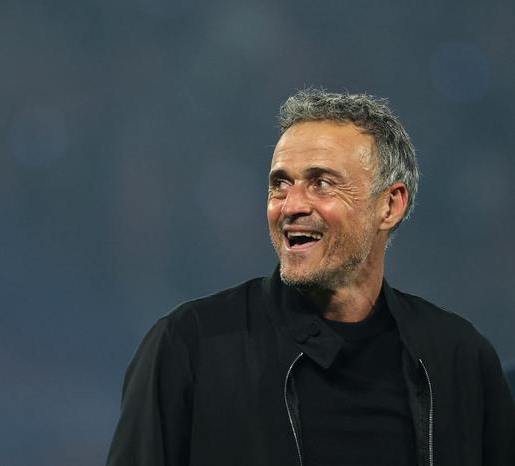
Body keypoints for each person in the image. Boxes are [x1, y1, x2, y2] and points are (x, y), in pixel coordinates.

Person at [106, 89, 515, 466]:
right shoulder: (189, 347)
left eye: (321, 183)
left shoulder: (459, 359)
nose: (292, 206)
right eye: (280, 185)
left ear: (390, 205)